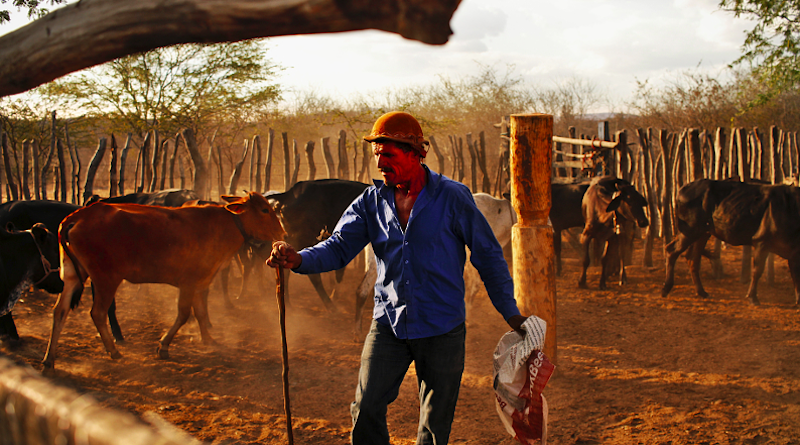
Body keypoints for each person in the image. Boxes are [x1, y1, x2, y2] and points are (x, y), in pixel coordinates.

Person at [267, 111, 527, 445]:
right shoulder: (371, 202)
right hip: (389, 324)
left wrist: (510, 311)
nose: (380, 164)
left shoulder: (452, 197)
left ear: (416, 152)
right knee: (365, 408)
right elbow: (339, 246)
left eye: (388, 155)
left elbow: (488, 256)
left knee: (435, 422)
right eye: (377, 155)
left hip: (443, 327)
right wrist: (300, 257)